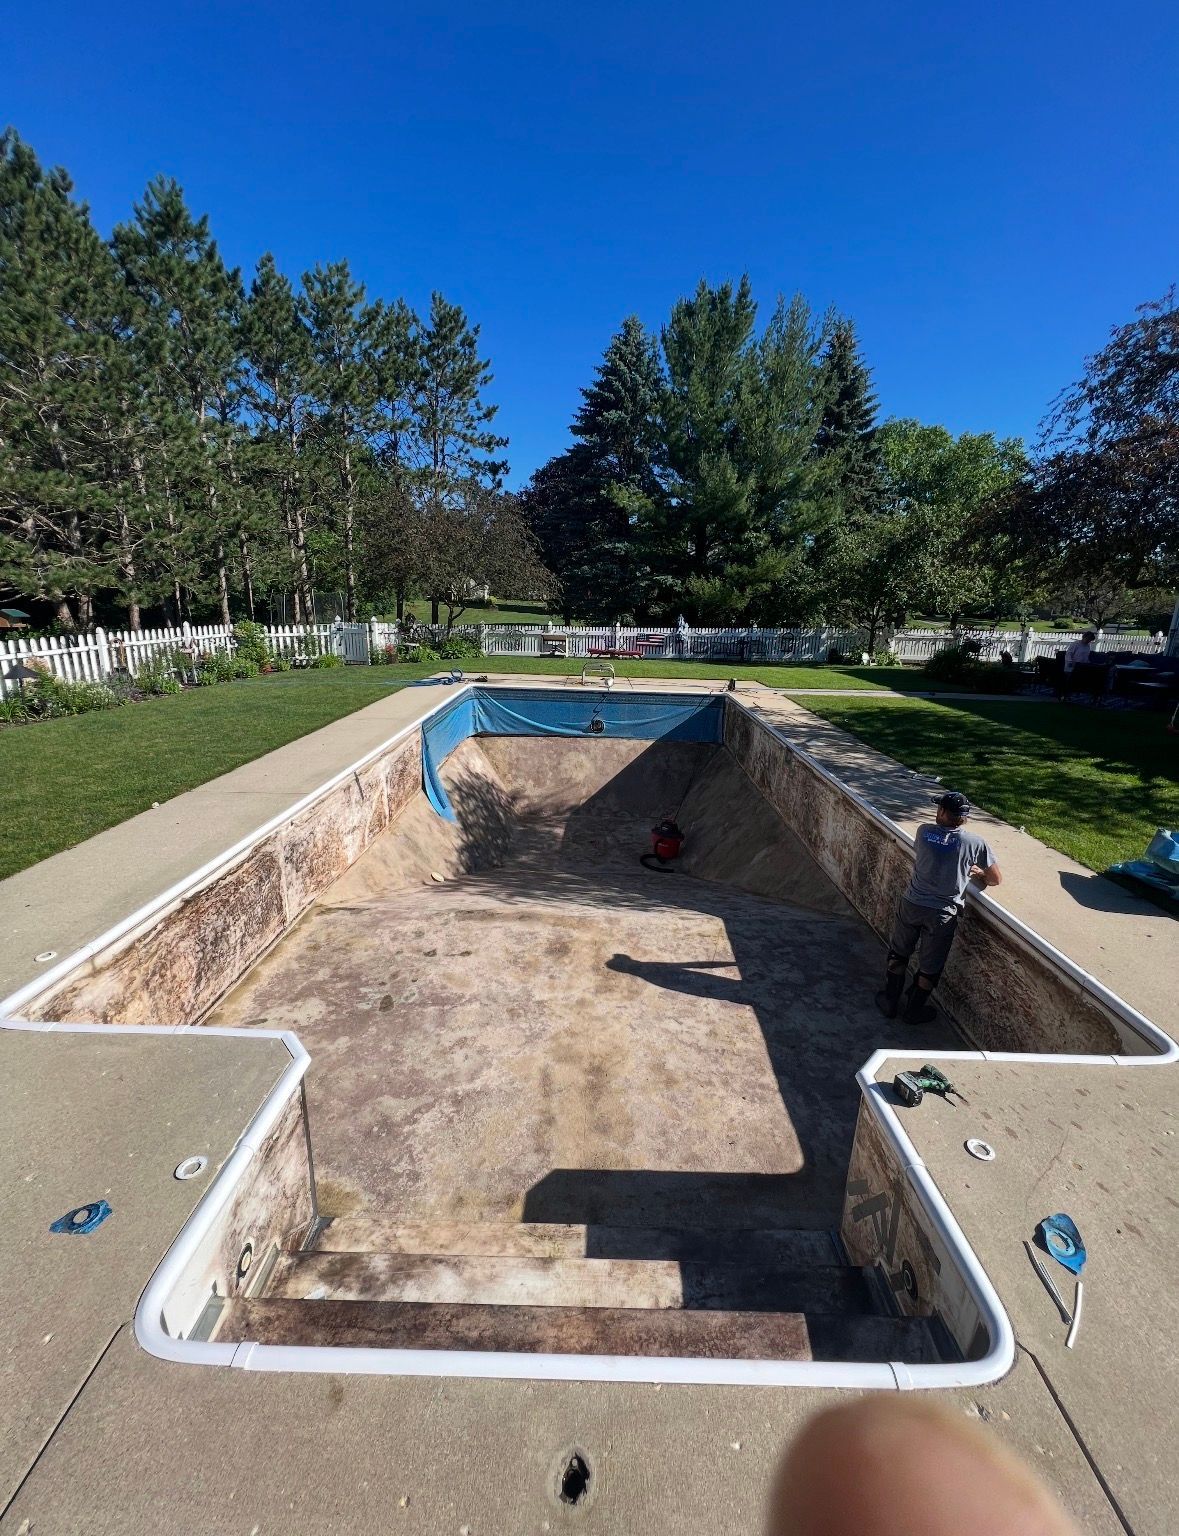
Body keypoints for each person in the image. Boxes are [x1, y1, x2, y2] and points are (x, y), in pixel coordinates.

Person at [876, 791, 1002, 1024]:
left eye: (939, 808)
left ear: (943, 812)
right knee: (929, 967)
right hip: (943, 913)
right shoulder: (975, 843)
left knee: (899, 952)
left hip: (912, 904)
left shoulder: (923, 832)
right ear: (964, 817)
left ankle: (890, 1001)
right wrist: (980, 873)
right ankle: (913, 1010)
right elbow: (995, 879)